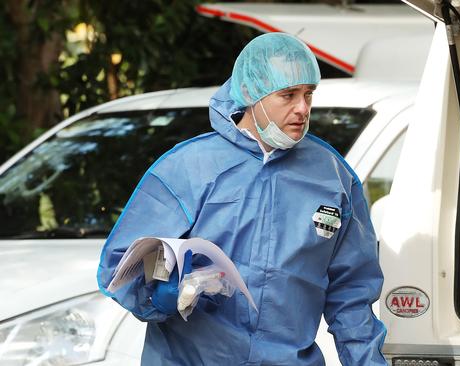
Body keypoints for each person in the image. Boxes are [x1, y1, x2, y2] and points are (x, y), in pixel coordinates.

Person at [97, 32, 386, 365]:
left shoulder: (332, 177)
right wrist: (161, 294)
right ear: (250, 93)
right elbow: (121, 265)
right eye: (288, 95)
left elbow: (351, 295)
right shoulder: (188, 167)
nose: (303, 108)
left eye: (309, 94)